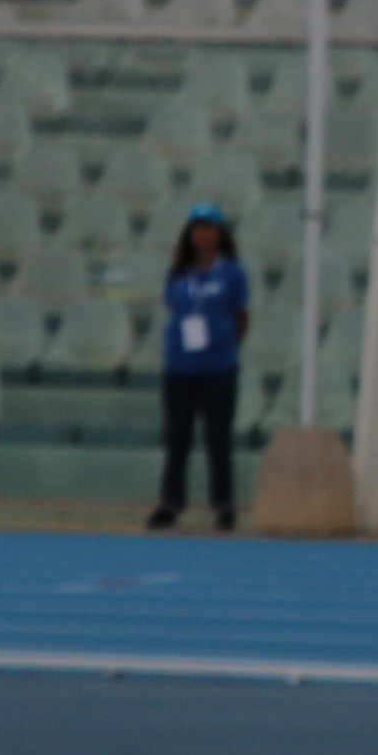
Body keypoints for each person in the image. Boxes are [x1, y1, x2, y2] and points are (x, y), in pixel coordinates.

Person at [149, 204, 248, 533]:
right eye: (197, 227)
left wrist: (225, 343)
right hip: (180, 367)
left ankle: (223, 504)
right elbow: (172, 306)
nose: (203, 234)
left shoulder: (232, 272)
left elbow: (241, 314)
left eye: (209, 227)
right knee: (177, 437)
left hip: (218, 367)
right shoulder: (179, 270)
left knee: (218, 438)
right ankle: (170, 501)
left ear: (220, 233)